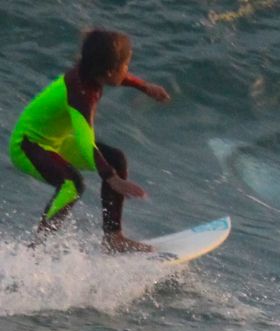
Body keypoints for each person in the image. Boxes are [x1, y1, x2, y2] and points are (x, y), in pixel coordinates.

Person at [8, 29, 171, 253]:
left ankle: (113, 238)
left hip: (56, 141)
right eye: (125, 65)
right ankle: (36, 249)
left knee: (115, 159)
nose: (127, 70)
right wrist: (111, 178)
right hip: (27, 146)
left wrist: (144, 87)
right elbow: (86, 141)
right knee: (72, 185)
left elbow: (117, 77)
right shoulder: (80, 94)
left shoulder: (88, 73)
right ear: (109, 71)